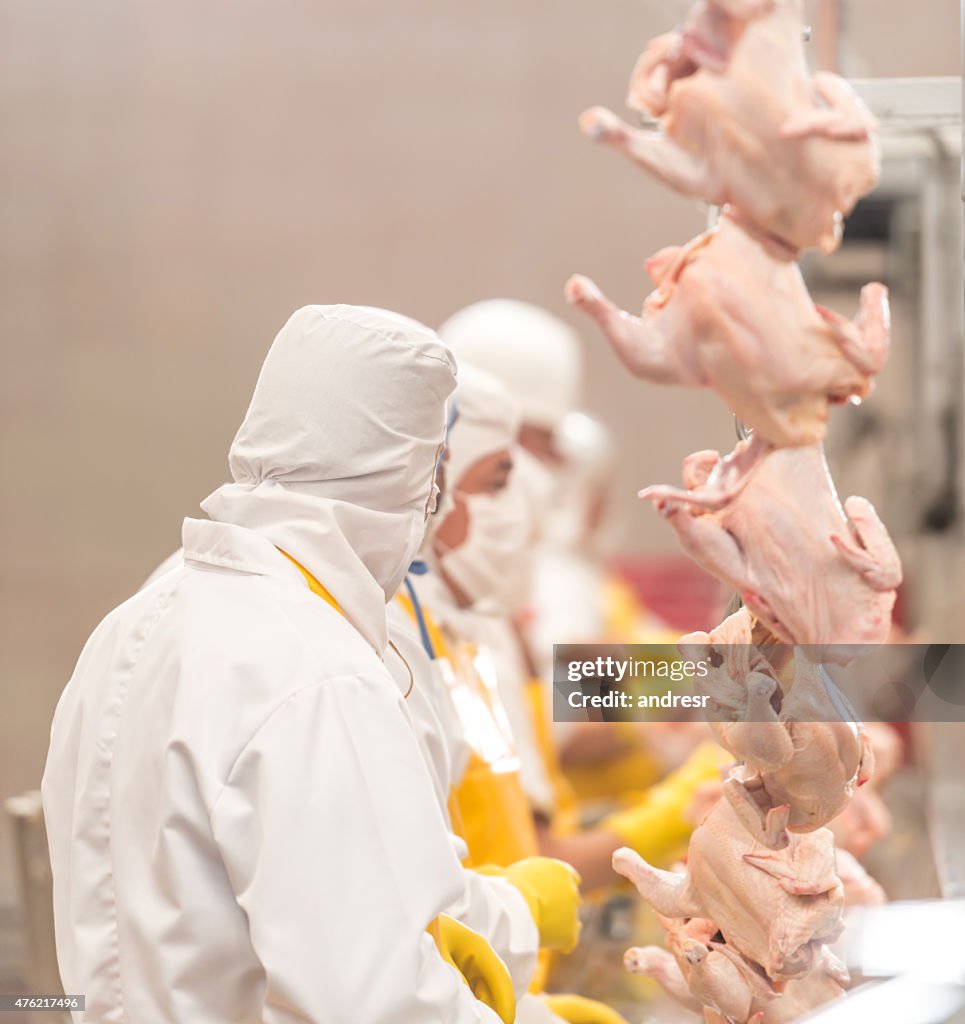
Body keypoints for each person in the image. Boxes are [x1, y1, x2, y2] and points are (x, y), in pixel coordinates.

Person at [42, 305, 518, 1024]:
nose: (520, 510)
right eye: (495, 479)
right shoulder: (323, 668)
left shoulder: (133, 625)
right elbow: (378, 999)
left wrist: (712, 693)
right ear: (417, 477)